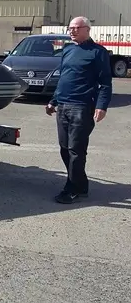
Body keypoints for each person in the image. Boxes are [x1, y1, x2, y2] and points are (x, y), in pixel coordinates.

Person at [45, 16, 112, 204]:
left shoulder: (98, 52)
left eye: (76, 28)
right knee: (65, 149)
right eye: (70, 28)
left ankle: (72, 188)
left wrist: (101, 105)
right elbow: (64, 78)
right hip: (63, 106)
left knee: (76, 150)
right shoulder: (68, 50)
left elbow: (105, 83)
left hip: (82, 107)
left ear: (87, 29)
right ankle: (81, 184)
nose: (72, 31)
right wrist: (53, 101)